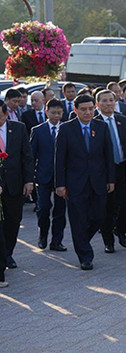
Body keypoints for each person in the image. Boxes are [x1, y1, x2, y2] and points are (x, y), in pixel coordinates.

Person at [55, 94, 116, 270]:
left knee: (98, 217)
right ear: (75, 110)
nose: (88, 112)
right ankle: (85, 256)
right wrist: (60, 184)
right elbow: (59, 159)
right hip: (75, 183)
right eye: (83, 109)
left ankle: (82, 240)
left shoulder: (102, 127)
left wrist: (111, 179)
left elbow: (108, 155)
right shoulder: (66, 129)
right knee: (78, 220)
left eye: (91, 109)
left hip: (98, 181)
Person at [93, 90, 126, 254]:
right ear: (98, 104)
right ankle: (108, 240)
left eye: (111, 100)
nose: (109, 103)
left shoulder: (124, 120)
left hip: (123, 167)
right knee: (107, 207)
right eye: (105, 101)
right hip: (104, 171)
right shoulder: (93, 123)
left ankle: (121, 231)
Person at [0, 99, 34, 270]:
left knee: (13, 221)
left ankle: (8, 255)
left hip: (15, 184)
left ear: (6, 114)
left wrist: (29, 180)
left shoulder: (19, 128)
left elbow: (27, 156)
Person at [30, 99, 67, 252]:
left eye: (59, 113)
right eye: (53, 113)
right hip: (44, 175)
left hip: (62, 177)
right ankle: (42, 235)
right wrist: (29, 177)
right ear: (47, 112)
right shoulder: (38, 130)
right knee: (43, 208)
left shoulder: (67, 129)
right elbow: (31, 155)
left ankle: (57, 241)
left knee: (60, 210)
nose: (56, 116)